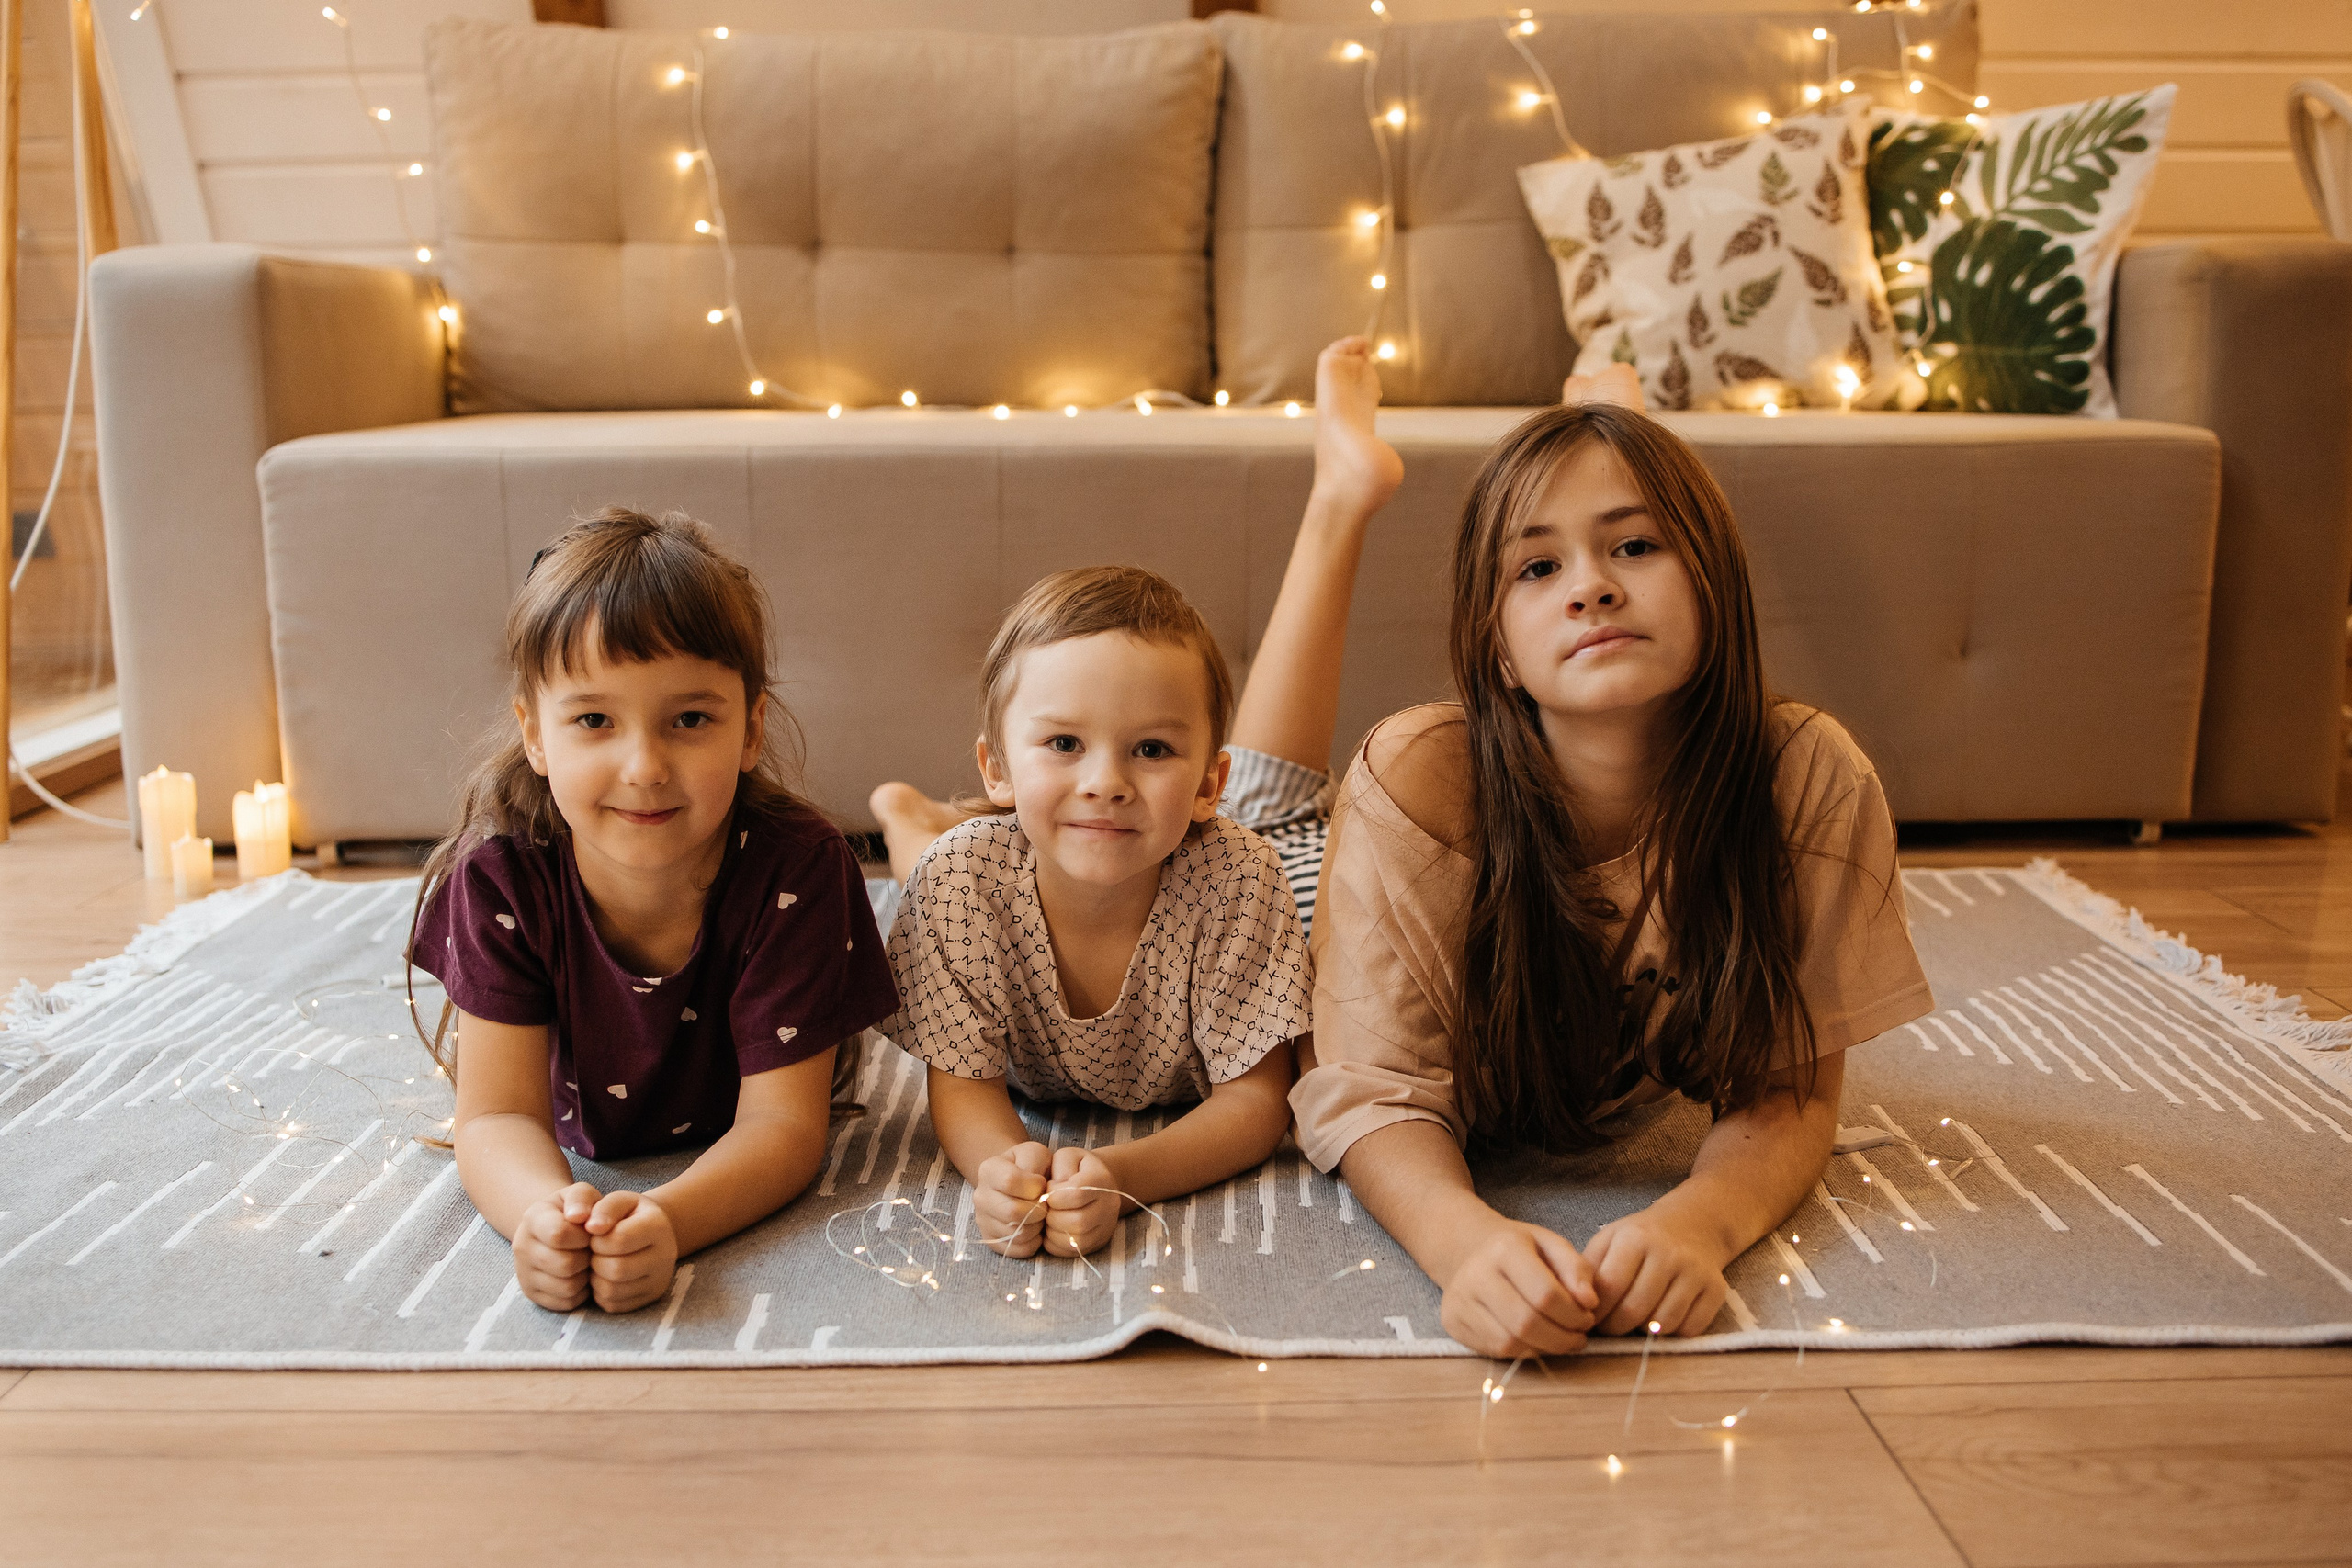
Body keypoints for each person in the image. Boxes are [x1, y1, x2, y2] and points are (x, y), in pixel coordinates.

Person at [1292, 391, 1934, 1359]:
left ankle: (1608, 414)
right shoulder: (1419, 776)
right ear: (1497, 650)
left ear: (1713, 579)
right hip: (1283, 900)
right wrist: (1461, 1246)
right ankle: (1340, 493)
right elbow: (1371, 1087)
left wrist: (1699, 1223)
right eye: (1539, 567)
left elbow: (1791, 1091)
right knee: (1250, 807)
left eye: (1634, 547)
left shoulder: (1804, 775)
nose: (1588, 587)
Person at [866, 337, 1404, 1259]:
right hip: (1045, 837)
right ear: (996, 764)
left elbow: (1253, 1104)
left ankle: (1340, 499)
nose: (1106, 777)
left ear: (1206, 782)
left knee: (1280, 793)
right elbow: (964, 1094)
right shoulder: (972, 879)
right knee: (955, 867)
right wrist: (1008, 1173)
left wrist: (1122, 1177)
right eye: (1065, 743)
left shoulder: (1238, 873)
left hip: (1282, 865)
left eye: (1147, 749)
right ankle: (910, 822)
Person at [408, 509, 899, 1314]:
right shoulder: (499, 876)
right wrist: (546, 1218)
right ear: (535, 733)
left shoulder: (801, 869)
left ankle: (911, 820)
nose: (643, 766)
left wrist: (665, 1219)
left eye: (690, 719)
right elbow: (496, 1113)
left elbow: (783, 1127)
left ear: (751, 727)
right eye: (594, 720)